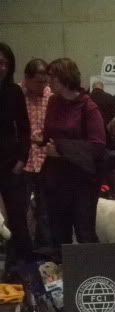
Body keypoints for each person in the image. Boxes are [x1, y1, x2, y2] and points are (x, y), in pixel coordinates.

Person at [41, 58, 106, 257]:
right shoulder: (53, 102)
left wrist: (61, 149)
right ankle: (62, 273)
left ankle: (92, 271)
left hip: (82, 180)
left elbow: (97, 146)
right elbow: (51, 133)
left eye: (52, 77)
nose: (48, 81)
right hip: (56, 177)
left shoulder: (88, 107)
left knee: (84, 231)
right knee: (58, 233)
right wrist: (42, 140)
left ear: (65, 78)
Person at [0, 43, 33, 278]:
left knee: (18, 218)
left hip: (11, 165)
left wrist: (22, 159)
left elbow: (24, 128)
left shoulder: (14, 92)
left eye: (4, 63)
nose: (1, 67)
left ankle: (23, 268)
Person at [21, 58, 53, 251]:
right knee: (20, 209)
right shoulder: (17, 95)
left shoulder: (51, 97)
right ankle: (22, 250)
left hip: (46, 160)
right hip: (22, 161)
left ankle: (47, 250)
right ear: (27, 79)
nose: (43, 86)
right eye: (38, 82)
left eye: (45, 81)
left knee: (45, 209)